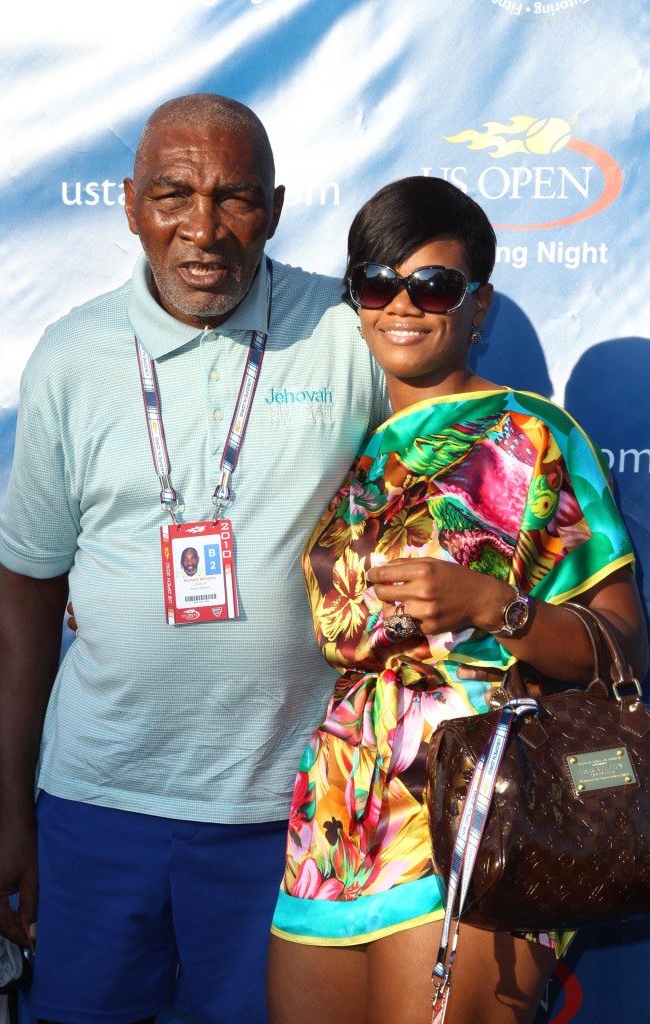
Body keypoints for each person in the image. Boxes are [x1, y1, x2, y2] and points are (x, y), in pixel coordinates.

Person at [0, 93, 388, 1024]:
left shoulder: (348, 335)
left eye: (235, 198)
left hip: (292, 810)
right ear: (129, 206)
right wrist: (9, 818)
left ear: (273, 210)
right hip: (99, 808)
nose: (204, 229)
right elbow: (30, 594)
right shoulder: (73, 354)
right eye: (173, 194)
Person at [266, 176, 648, 1024]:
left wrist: (492, 606)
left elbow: (620, 646)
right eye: (377, 282)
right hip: (336, 805)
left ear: (477, 306)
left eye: (433, 285)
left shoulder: (531, 434)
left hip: (478, 796)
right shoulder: (351, 452)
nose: (402, 304)